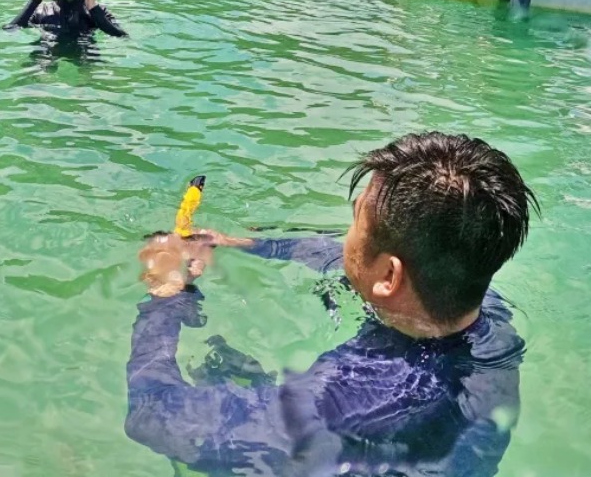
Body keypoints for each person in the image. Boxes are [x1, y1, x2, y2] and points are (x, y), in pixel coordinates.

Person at [126, 132, 538, 477]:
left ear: (390, 278)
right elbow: (341, 256)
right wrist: (245, 245)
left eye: (355, 220)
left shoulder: (338, 404)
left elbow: (153, 417)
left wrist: (166, 296)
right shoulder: (485, 311)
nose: (344, 237)